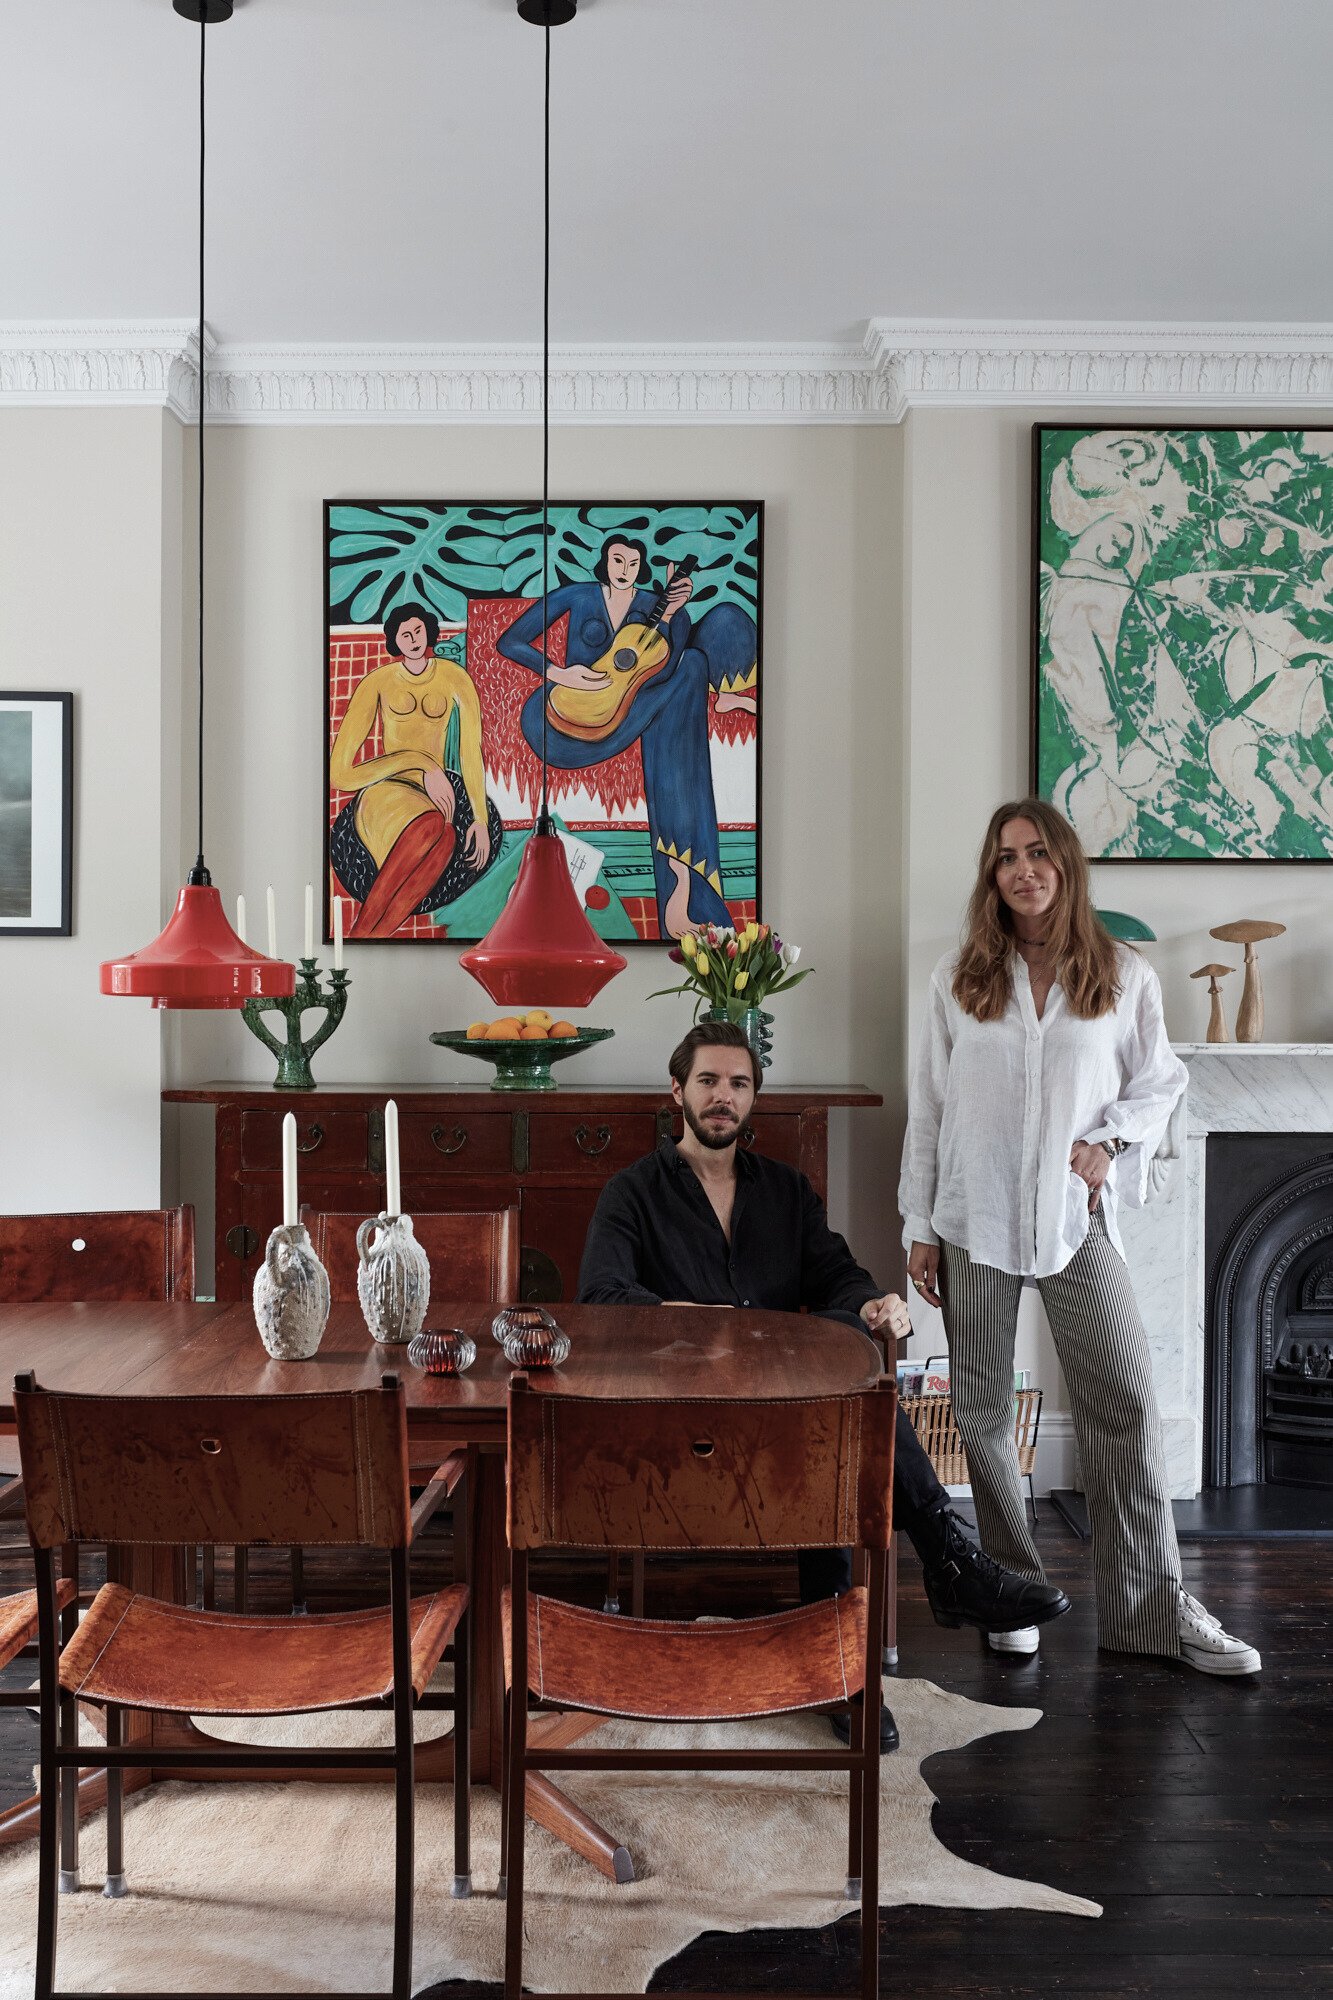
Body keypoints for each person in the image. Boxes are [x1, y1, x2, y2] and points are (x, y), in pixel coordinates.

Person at [579, 1020, 1070, 1749]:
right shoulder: (632, 1193)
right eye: (708, 1081)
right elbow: (602, 1300)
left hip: (784, 1411)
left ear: (753, 1101)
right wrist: (708, 1322)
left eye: (738, 1084)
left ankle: (845, 1667)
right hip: (678, 1420)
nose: (723, 1097)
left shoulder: (785, 1192)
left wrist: (872, 1301)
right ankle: (949, 1561)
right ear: (676, 1091)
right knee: (834, 1415)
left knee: (850, 1392)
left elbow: (835, 1275)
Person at [900, 797, 1261, 1674]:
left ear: (1064, 861)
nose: (1021, 869)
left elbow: (1161, 1080)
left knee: (1126, 1404)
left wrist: (1109, 1142)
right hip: (970, 1219)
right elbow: (930, 1110)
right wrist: (917, 1226)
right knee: (981, 1412)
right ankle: (1011, 1590)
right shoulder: (958, 976)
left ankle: (1151, 1612)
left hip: (1074, 1218)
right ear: (991, 875)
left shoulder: (1121, 973)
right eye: (1004, 856)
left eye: (1036, 852)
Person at [496, 534, 756, 938]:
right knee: (693, 668)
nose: (624, 570)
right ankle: (685, 888)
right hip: (559, 721)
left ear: (641, 567)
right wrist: (557, 672)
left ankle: (684, 890)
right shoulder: (577, 595)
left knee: (696, 655)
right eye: (618, 560)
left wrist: (670, 615)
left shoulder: (653, 605)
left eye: (633, 564)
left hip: (627, 711)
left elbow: (662, 669)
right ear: (604, 560)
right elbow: (509, 641)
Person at [329, 602, 502, 938]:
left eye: (418, 630)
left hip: (431, 796)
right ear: (395, 640)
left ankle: (367, 935)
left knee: (448, 834)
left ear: (429, 631)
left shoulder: (455, 678)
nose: (412, 639)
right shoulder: (377, 681)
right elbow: (340, 773)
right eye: (404, 634)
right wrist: (422, 763)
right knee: (433, 826)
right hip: (386, 791)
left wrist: (480, 819)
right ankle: (365, 931)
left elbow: (470, 753)